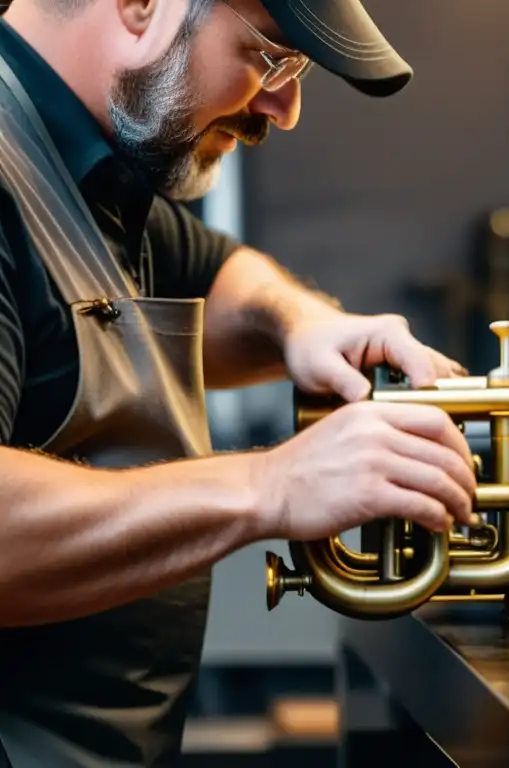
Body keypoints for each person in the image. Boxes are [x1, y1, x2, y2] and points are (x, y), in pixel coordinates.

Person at [0, 0, 479, 763]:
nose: (283, 109)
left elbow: (212, 276)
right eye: (271, 56)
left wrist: (303, 325)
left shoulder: (87, 167)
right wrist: (271, 488)